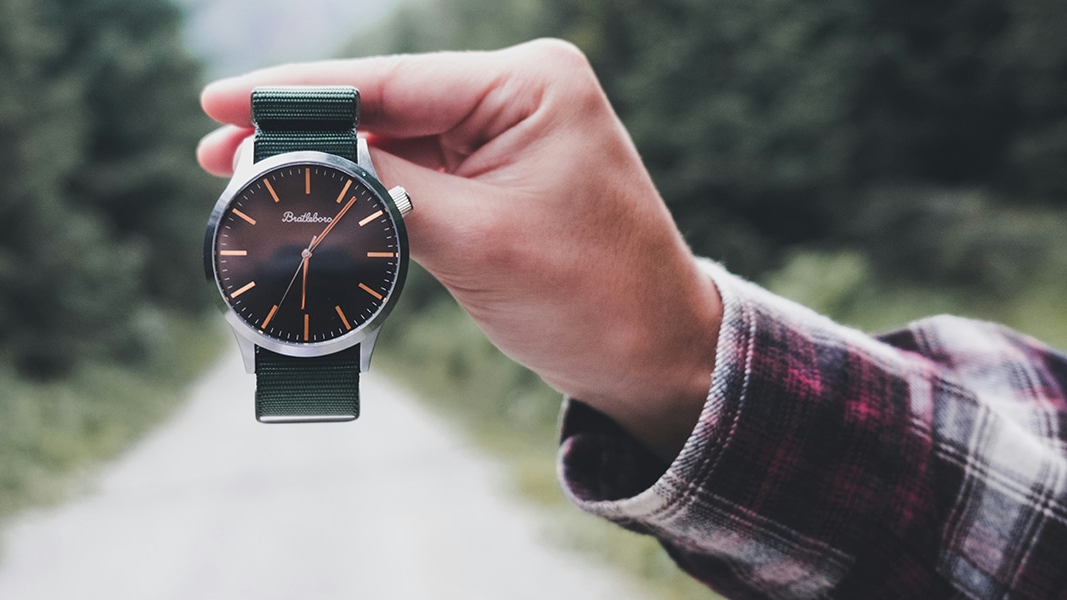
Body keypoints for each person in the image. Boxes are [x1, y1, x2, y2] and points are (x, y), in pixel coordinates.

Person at [196, 39, 1067, 599]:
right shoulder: (355, 236)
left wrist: (681, 356)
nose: (308, 255)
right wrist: (682, 358)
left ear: (394, 213)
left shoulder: (338, 237)